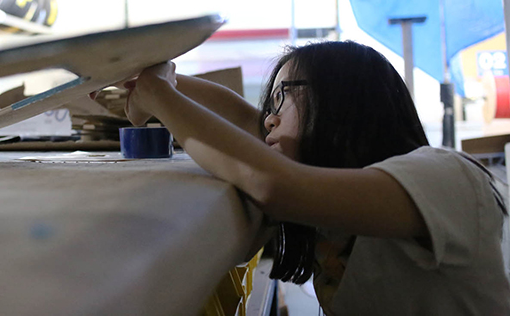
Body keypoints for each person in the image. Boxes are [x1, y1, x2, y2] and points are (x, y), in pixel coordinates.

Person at [122, 40, 510, 315]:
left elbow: (273, 183)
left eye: (283, 97)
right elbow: (242, 122)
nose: (269, 118)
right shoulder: (334, 186)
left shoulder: (443, 177)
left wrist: (158, 96)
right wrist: (157, 81)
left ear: (345, 103)